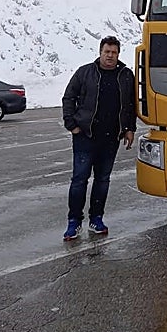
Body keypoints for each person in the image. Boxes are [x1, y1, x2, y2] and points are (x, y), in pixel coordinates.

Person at [61, 35, 136, 241]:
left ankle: (97, 219)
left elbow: (130, 105)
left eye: (114, 52)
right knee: (79, 180)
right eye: (107, 52)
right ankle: (74, 222)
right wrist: (72, 124)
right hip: (85, 136)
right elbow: (69, 97)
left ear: (118, 54)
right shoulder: (85, 73)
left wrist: (129, 129)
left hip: (111, 139)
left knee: (102, 180)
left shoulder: (126, 75)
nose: (110, 56)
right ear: (100, 52)